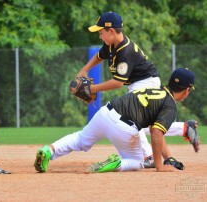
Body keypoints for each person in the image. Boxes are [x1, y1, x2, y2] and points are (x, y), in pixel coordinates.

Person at [76, 11, 191, 168]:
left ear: (111, 31)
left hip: (146, 83)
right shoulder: (111, 45)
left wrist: (92, 88)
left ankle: (149, 155)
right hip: (137, 83)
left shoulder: (126, 51)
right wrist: (84, 70)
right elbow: (99, 56)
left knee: (133, 120)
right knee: (145, 123)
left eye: (101, 32)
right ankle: (183, 130)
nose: (99, 35)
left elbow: (117, 82)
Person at [34, 67, 198, 173]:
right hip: (124, 127)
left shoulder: (154, 90)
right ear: (187, 90)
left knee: (80, 139)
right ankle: (117, 162)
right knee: (138, 161)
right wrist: (160, 166)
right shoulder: (170, 105)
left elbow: (153, 128)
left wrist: (168, 157)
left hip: (107, 111)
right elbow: (156, 134)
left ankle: (49, 150)